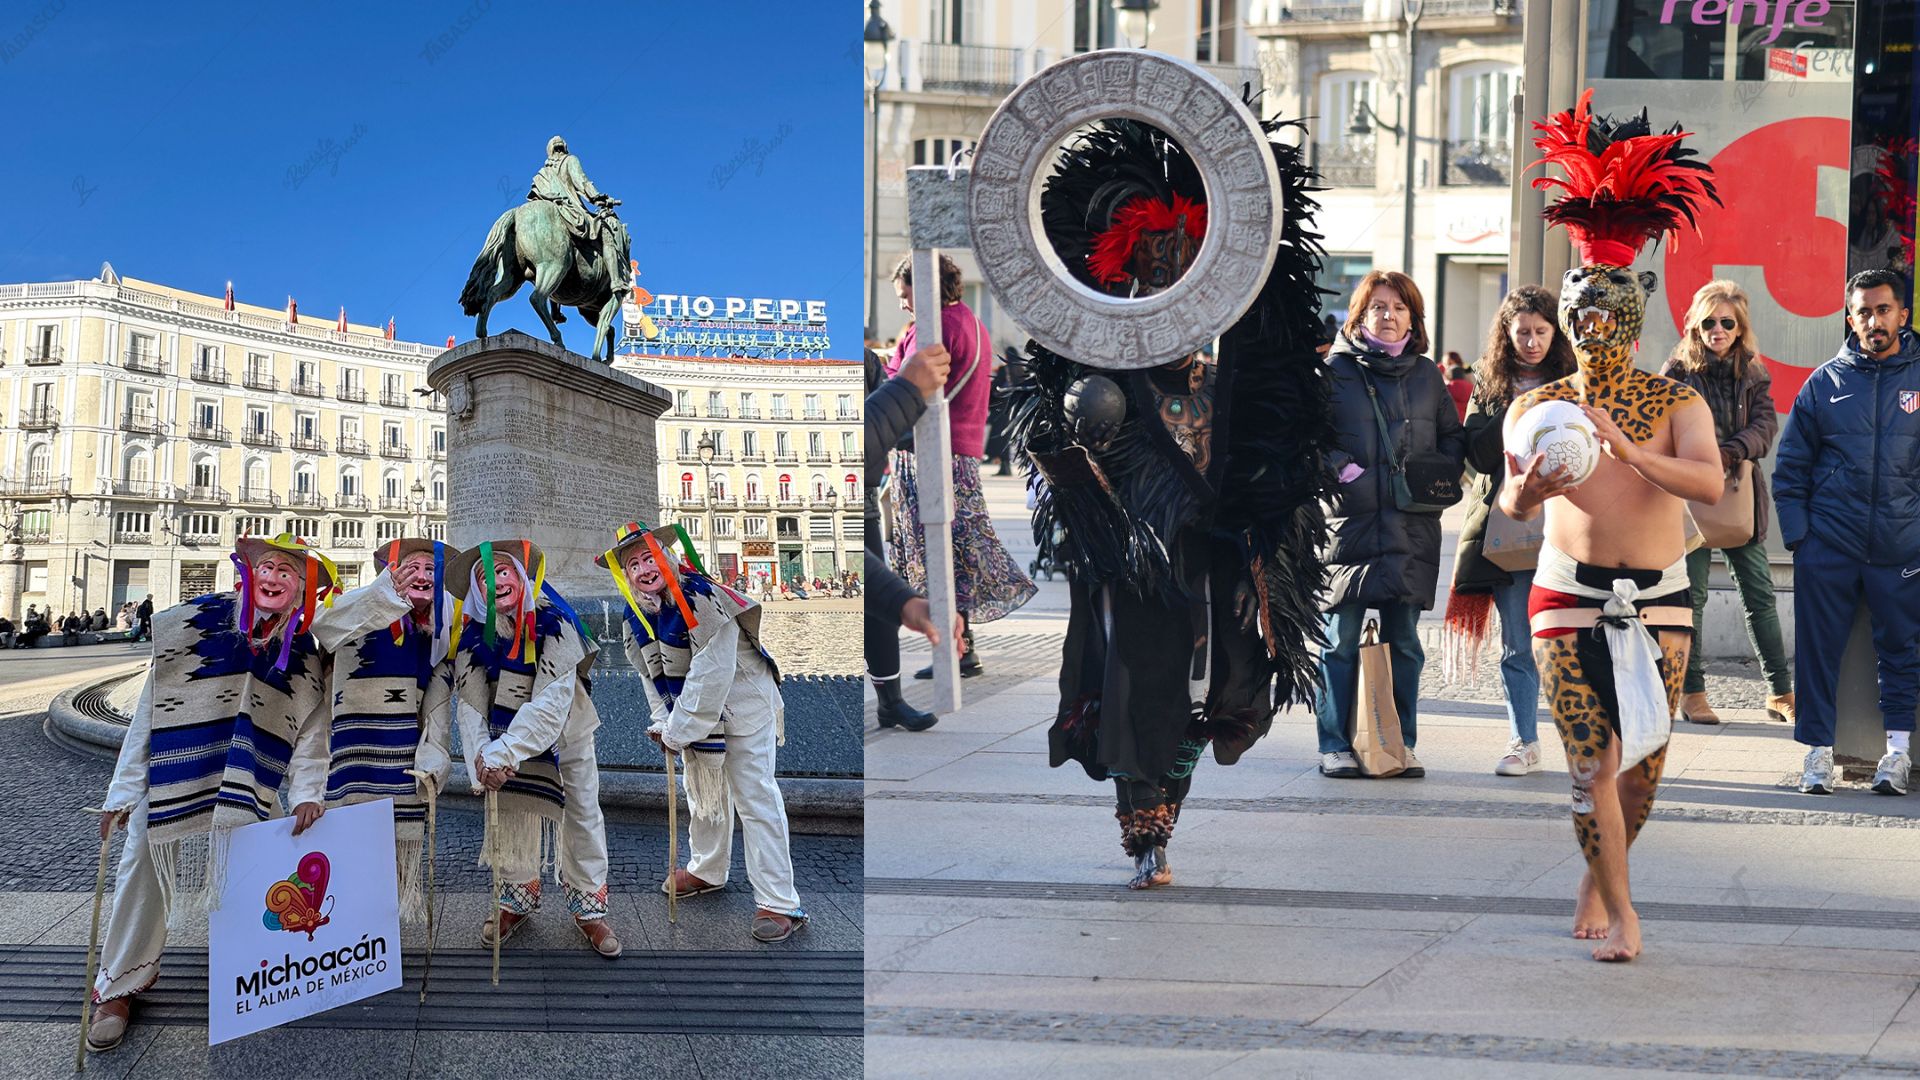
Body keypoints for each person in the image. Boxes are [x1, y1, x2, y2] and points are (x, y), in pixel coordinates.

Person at [1007, 115, 1333, 889]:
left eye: (1186, 292)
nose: (1173, 310)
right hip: (1140, 571)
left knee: (1212, 697)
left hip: (1217, 567)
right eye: (1157, 289)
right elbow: (1061, 463)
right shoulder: (1107, 386)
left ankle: (1167, 813)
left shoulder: (1225, 388)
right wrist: (1085, 448)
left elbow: (1279, 458)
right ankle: (1143, 825)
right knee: (1137, 691)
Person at [1502, 89, 1723, 962]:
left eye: (1610, 304)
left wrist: (1629, 450)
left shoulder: (1677, 399)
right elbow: (1516, 508)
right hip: (1565, 596)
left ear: (1635, 311)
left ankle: (1602, 873)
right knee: (1591, 765)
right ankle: (1627, 911)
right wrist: (1536, 482)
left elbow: (1707, 482)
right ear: (1566, 311)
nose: (1595, 321)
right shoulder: (1544, 403)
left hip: (1661, 599)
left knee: (1639, 775)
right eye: (1580, 304)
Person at [87, 534, 338, 1051]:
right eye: (267, 567)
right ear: (250, 573)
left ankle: (256, 973)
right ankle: (120, 983)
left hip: (251, 778)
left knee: (258, 867)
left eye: (288, 574)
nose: (274, 578)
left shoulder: (309, 655)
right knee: (141, 865)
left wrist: (309, 791)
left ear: (302, 591)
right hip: (176, 768)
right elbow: (147, 714)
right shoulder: (193, 624)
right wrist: (122, 792)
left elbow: (312, 731)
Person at [597, 523, 808, 942]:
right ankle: (707, 869)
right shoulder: (634, 612)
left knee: (754, 797)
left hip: (745, 706)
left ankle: (780, 902)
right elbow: (648, 672)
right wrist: (664, 721)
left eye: (649, 557)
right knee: (701, 787)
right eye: (632, 564)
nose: (643, 569)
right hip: (697, 713)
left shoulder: (704, 597)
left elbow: (712, 676)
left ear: (669, 558)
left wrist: (677, 730)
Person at [1315, 271, 1467, 779]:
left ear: (1412, 317)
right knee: (1340, 640)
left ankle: (1400, 742)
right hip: (1350, 524)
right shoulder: (1335, 372)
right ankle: (1333, 743)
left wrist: (1434, 480)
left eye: (1399, 307)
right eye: (1377, 306)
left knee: (1405, 643)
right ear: (1359, 315)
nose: (1388, 315)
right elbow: (1309, 440)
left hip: (1410, 526)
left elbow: (1452, 438)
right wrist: (1343, 471)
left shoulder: (1426, 376)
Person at [1776, 268, 1920, 797]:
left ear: (1902, 315)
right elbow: (1790, 470)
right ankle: (1816, 756)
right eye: (1863, 311)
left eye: (1883, 310)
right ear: (1849, 316)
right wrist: (1802, 541)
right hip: (1830, 546)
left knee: (1901, 649)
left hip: (1902, 545)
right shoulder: (1825, 382)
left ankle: (1897, 755)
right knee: (1817, 651)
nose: (1873, 321)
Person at [442, 540, 616, 955]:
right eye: (485, 577)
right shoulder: (469, 636)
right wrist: (483, 762)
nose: (496, 581)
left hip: (567, 735)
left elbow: (552, 703)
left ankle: (590, 908)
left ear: (521, 579)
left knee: (582, 812)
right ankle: (515, 900)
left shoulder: (555, 622)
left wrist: (504, 753)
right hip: (503, 743)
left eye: (503, 572)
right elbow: (469, 706)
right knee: (510, 813)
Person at [1443, 286, 1578, 776]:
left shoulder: (1572, 378)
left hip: (1568, 527)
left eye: (1542, 331)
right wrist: (1518, 410)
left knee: (1566, 641)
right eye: (1522, 332)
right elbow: (1476, 456)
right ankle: (1524, 740)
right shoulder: (1488, 379)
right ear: (1507, 332)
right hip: (1509, 530)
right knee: (1519, 643)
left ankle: (1581, 736)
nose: (1532, 341)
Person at [887, 253, 1037, 679]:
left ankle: (956, 649)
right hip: (962, 451)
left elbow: (904, 388)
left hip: (930, 451)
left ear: (928, 287)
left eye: (906, 294)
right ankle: (962, 646)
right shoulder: (970, 320)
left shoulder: (933, 331)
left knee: (935, 550)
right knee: (957, 549)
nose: (902, 303)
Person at [299, 538, 464, 924]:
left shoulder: (440, 633)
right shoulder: (360, 608)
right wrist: (385, 594)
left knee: (394, 861)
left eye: (430, 569)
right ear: (389, 573)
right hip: (346, 759)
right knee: (343, 857)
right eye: (411, 567)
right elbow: (324, 627)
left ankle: (378, 938)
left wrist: (435, 760)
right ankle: (346, 930)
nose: (421, 575)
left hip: (401, 763)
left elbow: (437, 708)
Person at [1657, 280, 1794, 727]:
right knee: (1691, 599)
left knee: (1759, 596)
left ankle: (1779, 692)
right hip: (1690, 500)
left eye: (1727, 322)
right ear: (1695, 323)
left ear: (1739, 327)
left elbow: (1765, 426)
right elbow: (1660, 428)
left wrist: (1730, 452)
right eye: (1709, 321)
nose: (1718, 329)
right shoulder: (1676, 371)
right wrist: (1699, 461)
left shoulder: (1753, 372)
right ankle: (1692, 691)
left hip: (1737, 496)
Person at [867, 343, 970, 731]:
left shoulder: (865, 362)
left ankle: (891, 702)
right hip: (856, 497)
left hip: (864, 501)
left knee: (879, 616)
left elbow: (887, 432)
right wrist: (907, 390)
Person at [1442, 350, 1474, 422]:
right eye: (1445, 364)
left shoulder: (1466, 368)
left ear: (1455, 360)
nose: (1446, 366)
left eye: (1448, 363)